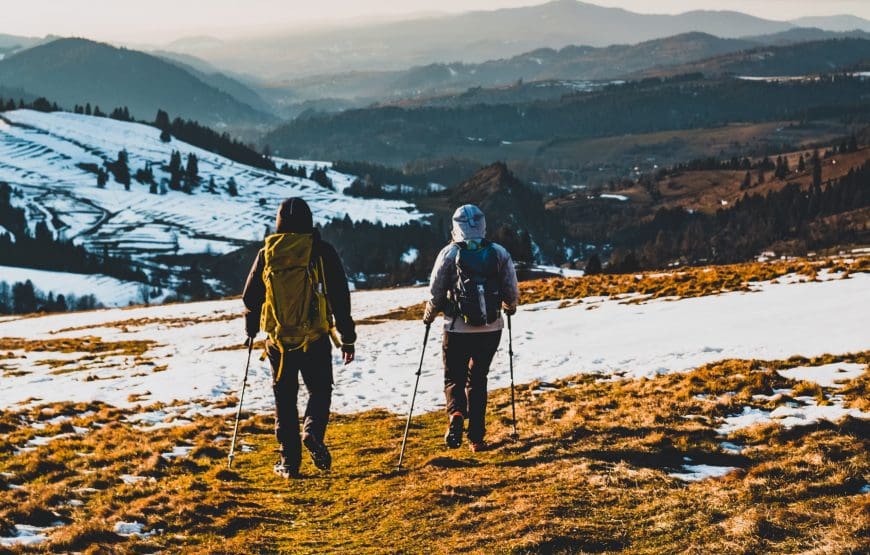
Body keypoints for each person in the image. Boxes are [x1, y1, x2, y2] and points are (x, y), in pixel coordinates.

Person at [243, 197, 356, 479]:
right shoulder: (321, 251)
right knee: (319, 390)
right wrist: (348, 337)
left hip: (278, 341)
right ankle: (313, 431)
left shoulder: (267, 253)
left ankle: (289, 462)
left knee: (285, 397)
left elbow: (250, 297)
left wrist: (250, 329)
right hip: (314, 337)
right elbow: (340, 296)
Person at [423, 204, 519, 452]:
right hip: (491, 327)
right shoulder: (498, 252)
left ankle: (456, 413)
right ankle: (476, 439)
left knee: (454, 376)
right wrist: (510, 306)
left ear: (456, 227)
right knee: (478, 379)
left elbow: (435, 292)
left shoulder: (449, 254)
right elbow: (510, 289)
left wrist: (430, 314)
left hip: (457, 329)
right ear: (483, 225)